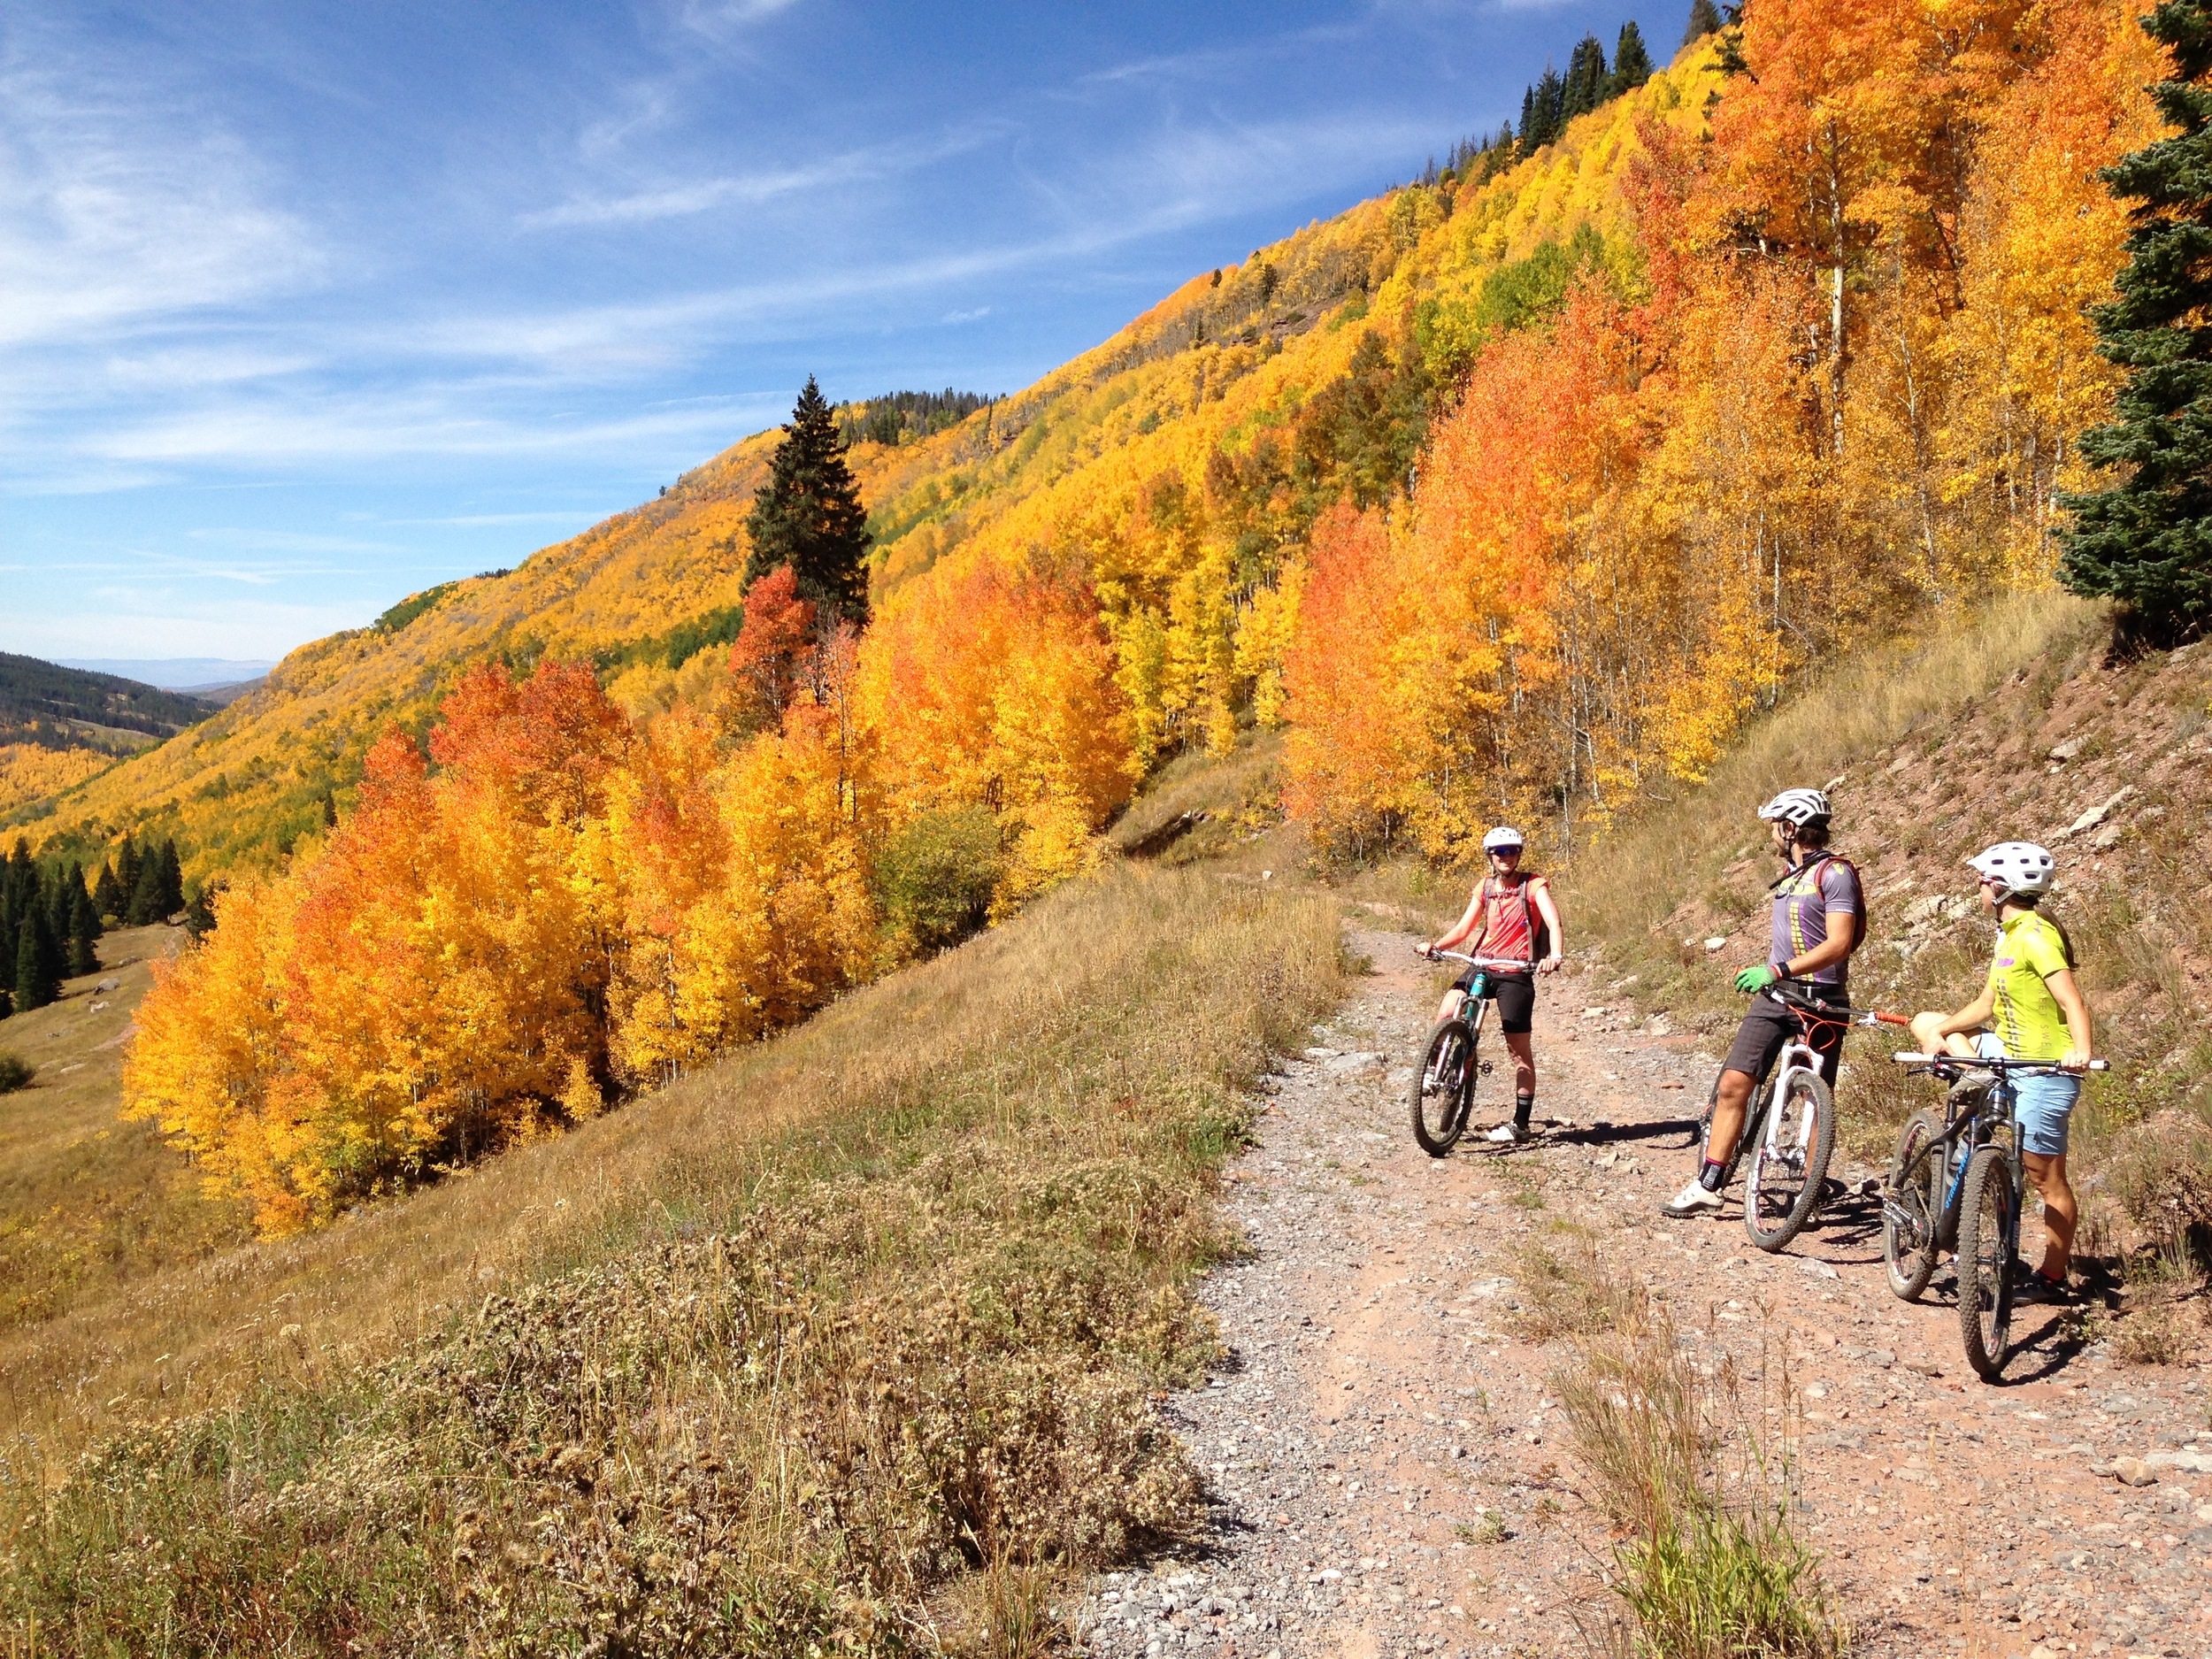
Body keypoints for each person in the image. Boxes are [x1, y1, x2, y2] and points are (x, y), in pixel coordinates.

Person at [1908, 841, 2093, 1303]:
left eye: (1984, 880)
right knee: (1927, 1020)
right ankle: (1975, 1093)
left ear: (2002, 887)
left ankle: (2051, 1279)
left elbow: (2071, 1001)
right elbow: (1987, 1005)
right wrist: (1943, 1032)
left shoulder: (2034, 936)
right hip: (2006, 1056)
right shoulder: (2007, 935)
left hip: (2045, 1070)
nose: (1978, 887)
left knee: (2045, 1179)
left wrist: (2081, 1052)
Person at [1663, 787, 1863, 1218]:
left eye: (1776, 825)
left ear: (1790, 828)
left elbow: (1840, 943)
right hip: (1776, 999)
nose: (1772, 834)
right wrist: (1774, 974)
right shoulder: (1790, 876)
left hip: (1822, 1000)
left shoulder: (1836, 872)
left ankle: (1808, 1194)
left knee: (1816, 1099)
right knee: (1735, 1084)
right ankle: (1709, 1183)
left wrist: (1777, 969)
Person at [1422, 826, 1563, 1142]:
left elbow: (1553, 921)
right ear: (1490, 856)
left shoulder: (1533, 885)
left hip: (1515, 971)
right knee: (1447, 1009)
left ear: (1519, 854)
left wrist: (1554, 955)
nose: (1506, 857)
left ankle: (1520, 1125)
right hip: (1483, 963)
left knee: (1518, 1052)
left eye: (1512, 851)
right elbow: (1463, 928)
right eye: (1500, 852)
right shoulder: (1485, 888)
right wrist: (1436, 946)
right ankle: (1433, 1071)